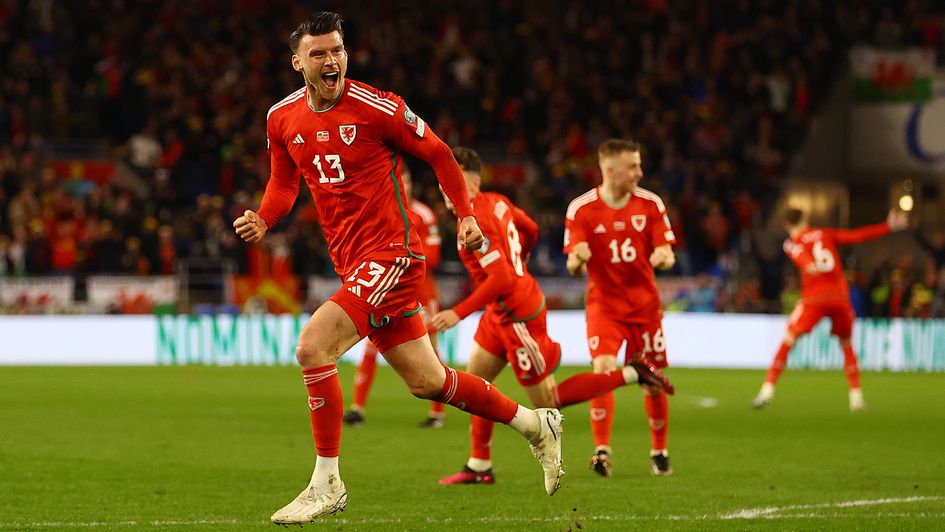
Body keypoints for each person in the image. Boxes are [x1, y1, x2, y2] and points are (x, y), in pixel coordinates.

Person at [232, 13, 563, 524]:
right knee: (428, 382)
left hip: (392, 255)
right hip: (352, 262)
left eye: (337, 50)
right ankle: (535, 425)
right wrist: (264, 218)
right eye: (318, 53)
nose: (331, 60)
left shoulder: (377, 107)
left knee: (312, 346)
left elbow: (442, 155)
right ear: (298, 62)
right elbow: (283, 183)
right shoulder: (281, 118)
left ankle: (327, 482)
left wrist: (465, 217)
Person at [434, 147, 673, 486]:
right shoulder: (497, 201)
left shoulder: (479, 221)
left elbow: (501, 279)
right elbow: (529, 227)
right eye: (443, 182)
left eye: (452, 181)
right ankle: (479, 465)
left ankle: (634, 373)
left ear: (472, 182)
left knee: (549, 401)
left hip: (518, 316)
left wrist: (457, 312)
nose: (445, 188)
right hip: (499, 312)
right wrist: (523, 259)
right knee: (475, 383)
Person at [564, 138, 679, 477]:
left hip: (644, 306)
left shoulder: (651, 204)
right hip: (604, 306)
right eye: (633, 166)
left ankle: (659, 451)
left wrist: (664, 258)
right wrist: (576, 262)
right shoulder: (581, 209)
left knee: (653, 382)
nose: (639, 173)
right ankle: (602, 451)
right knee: (603, 370)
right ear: (610, 170)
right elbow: (573, 263)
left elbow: (667, 252)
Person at [752, 207, 909, 411]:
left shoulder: (791, 242)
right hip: (839, 297)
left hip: (815, 298)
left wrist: (808, 264)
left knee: (788, 339)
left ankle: (767, 391)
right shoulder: (825, 233)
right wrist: (888, 226)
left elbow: (799, 255)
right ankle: (856, 397)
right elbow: (857, 236)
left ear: (786, 225)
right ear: (805, 219)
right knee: (846, 344)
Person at [342, 165, 448, 428]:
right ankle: (357, 408)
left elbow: (432, 258)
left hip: (421, 291)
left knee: (430, 349)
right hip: (387, 289)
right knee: (371, 345)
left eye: (407, 179)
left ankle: (437, 413)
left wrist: (400, 252)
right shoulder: (381, 212)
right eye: (399, 180)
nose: (404, 184)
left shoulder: (424, 214)